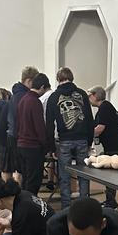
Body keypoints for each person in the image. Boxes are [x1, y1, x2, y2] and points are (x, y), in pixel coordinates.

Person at [46, 68, 94, 209]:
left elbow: (49, 125)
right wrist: (89, 141)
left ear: (58, 79)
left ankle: (66, 207)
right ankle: (84, 205)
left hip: (64, 140)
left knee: (64, 175)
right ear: (72, 78)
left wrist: (51, 147)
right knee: (83, 174)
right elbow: (90, 120)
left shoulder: (53, 97)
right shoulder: (82, 94)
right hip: (82, 139)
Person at [88, 86, 118, 207]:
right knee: (109, 175)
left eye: (89, 95)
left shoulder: (105, 107)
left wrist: (86, 135)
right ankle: (110, 201)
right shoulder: (104, 107)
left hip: (116, 145)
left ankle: (111, 203)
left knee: (111, 175)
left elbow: (100, 128)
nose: (88, 98)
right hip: (112, 144)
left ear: (96, 96)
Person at [0, 65, 39, 182]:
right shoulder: (25, 96)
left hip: (12, 134)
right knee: (21, 170)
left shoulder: (15, 95)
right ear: (28, 81)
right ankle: (17, 195)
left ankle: (12, 193)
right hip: (19, 137)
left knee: (12, 168)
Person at [16, 72, 50, 195]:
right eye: (45, 90)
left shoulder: (23, 100)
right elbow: (39, 127)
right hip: (33, 147)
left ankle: (24, 203)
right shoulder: (35, 102)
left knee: (26, 179)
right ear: (41, 87)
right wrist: (46, 145)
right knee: (34, 181)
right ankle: (30, 206)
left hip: (21, 145)